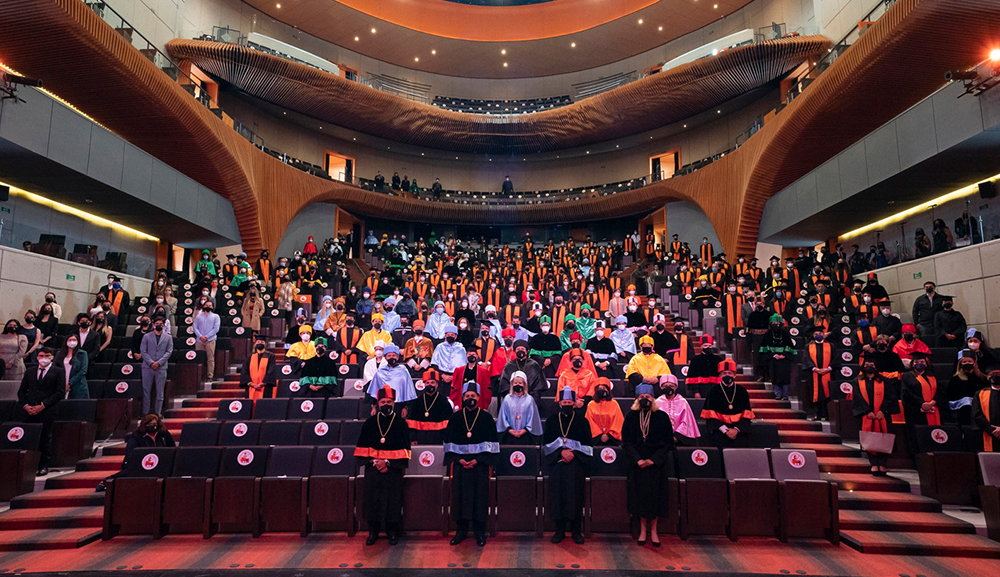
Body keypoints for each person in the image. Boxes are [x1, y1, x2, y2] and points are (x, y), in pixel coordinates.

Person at [355, 385, 412, 546]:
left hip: (393, 470)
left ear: (394, 402)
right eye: (383, 401)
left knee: (392, 500)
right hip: (373, 469)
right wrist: (375, 462)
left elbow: (406, 449)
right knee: (373, 500)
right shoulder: (370, 422)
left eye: (389, 401)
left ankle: (392, 531)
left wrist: (387, 463)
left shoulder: (401, 423)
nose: (386, 404)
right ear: (378, 403)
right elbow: (361, 446)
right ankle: (373, 531)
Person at [444, 381, 499, 547]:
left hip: (479, 467)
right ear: (463, 397)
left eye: (473, 396)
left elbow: (493, 445)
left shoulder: (486, 418)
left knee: (479, 498)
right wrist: (459, 459)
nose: (470, 399)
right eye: (467, 396)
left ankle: (479, 531)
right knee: (460, 498)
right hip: (460, 467)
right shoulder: (455, 418)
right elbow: (448, 444)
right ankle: (461, 531)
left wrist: (478, 460)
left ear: (478, 397)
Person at [622, 384, 674, 547]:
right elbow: (626, 442)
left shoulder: (662, 417)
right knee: (640, 498)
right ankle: (643, 530)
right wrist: (638, 459)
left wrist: (653, 460)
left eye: (648, 397)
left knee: (656, 498)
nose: (645, 399)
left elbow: (667, 443)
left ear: (653, 398)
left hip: (656, 464)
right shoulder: (631, 416)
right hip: (637, 464)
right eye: (642, 397)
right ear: (637, 399)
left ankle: (654, 530)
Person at [543, 386, 593, 544]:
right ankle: (559, 530)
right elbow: (546, 445)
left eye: (569, 402)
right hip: (557, 465)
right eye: (564, 402)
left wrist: (574, 454)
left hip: (575, 465)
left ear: (574, 404)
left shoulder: (582, 421)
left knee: (575, 497)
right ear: (559, 404)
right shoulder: (552, 421)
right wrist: (560, 453)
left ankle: (576, 531)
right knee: (558, 498)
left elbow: (588, 446)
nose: (566, 404)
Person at [15, 347, 64, 476]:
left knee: (45, 438)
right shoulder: (30, 371)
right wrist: (26, 405)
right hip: (29, 410)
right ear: (37, 357)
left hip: (47, 410)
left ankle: (43, 466)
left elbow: (59, 393)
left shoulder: (58, 372)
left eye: (47, 356)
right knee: (28, 438)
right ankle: (27, 466)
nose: (43, 358)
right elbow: (21, 391)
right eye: (41, 355)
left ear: (52, 357)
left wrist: (43, 405)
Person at [95, 413, 175, 492]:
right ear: (145, 425)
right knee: (129, 472)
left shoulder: (163, 433)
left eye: (154, 424)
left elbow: (172, 447)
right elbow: (130, 451)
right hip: (141, 463)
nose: (152, 426)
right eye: (149, 424)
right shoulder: (137, 435)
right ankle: (106, 482)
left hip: (160, 462)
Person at [854, 360, 899, 476]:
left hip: (882, 415)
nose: (869, 367)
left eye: (872, 365)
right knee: (869, 438)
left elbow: (891, 397)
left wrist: (883, 410)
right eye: (867, 365)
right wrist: (867, 411)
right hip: (867, 415)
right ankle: (873, 463)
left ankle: (883, 463)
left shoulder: (885, 381)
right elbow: (857, 397)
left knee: (884, 437)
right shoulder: (857, 381)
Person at [701, 359, 754, 448]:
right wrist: (725, 430)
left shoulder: (742, 391)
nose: (727, 375)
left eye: (729, 373)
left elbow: (746, 414)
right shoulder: (713, 391)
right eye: (724, 373)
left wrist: (736, 430)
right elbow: (710, 415)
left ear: (734, 375)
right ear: (720, 375)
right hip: (719, 430)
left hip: (738, 430)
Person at [405, 369, 453, 444]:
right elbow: (411, 423)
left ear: (437, 384)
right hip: (420, 438)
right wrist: (413, 439)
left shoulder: (444, 402)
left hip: (438, 438)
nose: (430, 385)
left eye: (432, 382)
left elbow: (449, 424)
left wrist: (446, 440)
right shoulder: (417, 402)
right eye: (427, 383)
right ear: (424, 384)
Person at [366, 344, 417, 414]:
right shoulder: (380, 371)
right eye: (389, 356)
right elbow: (374, 390)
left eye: (393, 355)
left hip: (398, 405)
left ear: (397, 357)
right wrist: (374, 407)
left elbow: (407, 390)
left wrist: (405, 407)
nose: (391, 357)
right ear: (386, 358)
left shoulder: (403, 370)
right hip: (382, 404)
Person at [496, 371, 543, 444]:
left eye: (520, 383)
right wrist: (510, 430)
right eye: (515, 383)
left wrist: (524, 430)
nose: (517, 385)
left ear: (524, 385)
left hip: (526, 434)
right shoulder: (507, 399)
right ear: (512, 384)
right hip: (509, 434)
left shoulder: (529, 399)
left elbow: (533, 417)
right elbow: (503, 417)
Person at [655, 374, 700, 445]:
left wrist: (676, 436)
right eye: (665, 386)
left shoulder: (682, 401)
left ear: (676, 387)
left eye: (671, 386)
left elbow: (686, 421)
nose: (668, 388)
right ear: (661, 387)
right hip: (661, 438)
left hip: (680, 437)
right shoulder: (657, 402)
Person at [139, 319, 172, 415]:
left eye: (161, 324)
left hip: (161, 367)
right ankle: (145, 413)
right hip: (147, 367)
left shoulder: (168, 337)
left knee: (160, 393)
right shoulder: (146, 336)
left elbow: (169, 351)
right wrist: (151, 363)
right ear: (153, 325)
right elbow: (143, 351)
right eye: (157, 324)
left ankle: (158, 414)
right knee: (146, 391)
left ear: (164, 325)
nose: (159, 325)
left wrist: (159, 363)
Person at [760, 314, 795, 400]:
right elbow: (764, 348)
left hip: (784, 359)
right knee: (775, 376)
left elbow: (790, 346)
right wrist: (774, 355)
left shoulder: (784, 333)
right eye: (774, 322)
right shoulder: (767, 334)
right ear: (771, 323)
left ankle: (785, 395)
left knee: (785, 376)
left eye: (778, 322)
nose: (776, 324)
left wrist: (784, 355)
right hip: (773, 358)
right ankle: (778, 394)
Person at [948, 350, 987, 426]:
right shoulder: (955, 380)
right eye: (964, 362)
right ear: (960, 364)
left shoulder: (982, 379)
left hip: (981, 412)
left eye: (969, 361)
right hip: (963, 413)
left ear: (974, 363)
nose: (967, 363)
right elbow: (952, 397)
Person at [803, 328, 833, 420]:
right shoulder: (808, 346)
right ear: (813, 335)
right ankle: (818, 414)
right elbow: (806, 359)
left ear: (824, 334)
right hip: (814, 374)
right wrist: (815, 369)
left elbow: (835, 358)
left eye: (820, 333)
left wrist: (827, 369)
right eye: (816, 334)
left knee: (827, 393)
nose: (818, 335)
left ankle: (828, 415)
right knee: (816, 394)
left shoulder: (831, 345)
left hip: (828, 373)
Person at [585, 378, 624, 445]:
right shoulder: (591, 404)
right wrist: (600, 435)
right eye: (599, 389)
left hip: (612, 438)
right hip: (596, 439)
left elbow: (618, 421)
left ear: (608, 390)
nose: (602, 390)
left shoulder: (614, 403)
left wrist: (609, 435)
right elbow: (589, 421)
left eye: (604, 388)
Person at [973, 370, 1000, 452]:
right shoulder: (980, 394)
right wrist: (991, 430)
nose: (996, 377)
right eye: (993, 375)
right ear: (988, 378)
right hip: (988, 433)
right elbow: (977, 414)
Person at [193, 302, 220, 382]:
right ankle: (199, 376)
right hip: (199, 340)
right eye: (206, 305)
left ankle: (209, 376)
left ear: (212, 307)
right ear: (203, 306)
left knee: (210, 359)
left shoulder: (216, 316)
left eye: (210, 305)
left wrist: (207, 336)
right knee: (199, 358)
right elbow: (195, 327)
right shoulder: (198, 316)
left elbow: (216, 329)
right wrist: (200, 336)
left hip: (210, 340)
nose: (208, 306)